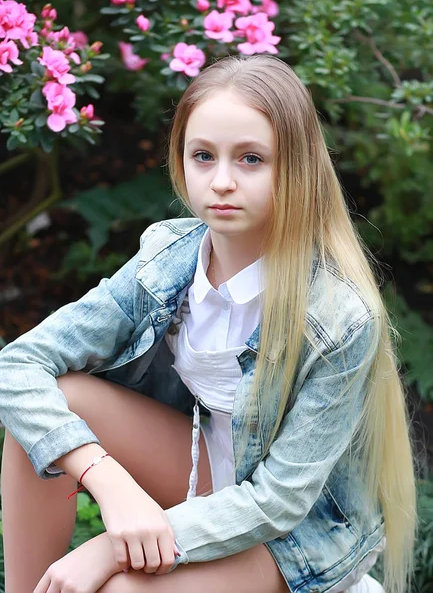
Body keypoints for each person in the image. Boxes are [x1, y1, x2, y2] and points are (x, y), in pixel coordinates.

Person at [0, 54, 416, 593]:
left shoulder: (337, 319)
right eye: (203, 156)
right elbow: (18, 364)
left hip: (289, 530)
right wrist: (109, 481)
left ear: (295, 167)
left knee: (123, 589)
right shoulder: (168, 257)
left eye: (249, 159)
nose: (221, 182)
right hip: (205, 468)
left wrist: (110, 544)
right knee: (57, 405)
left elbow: (278, 500)